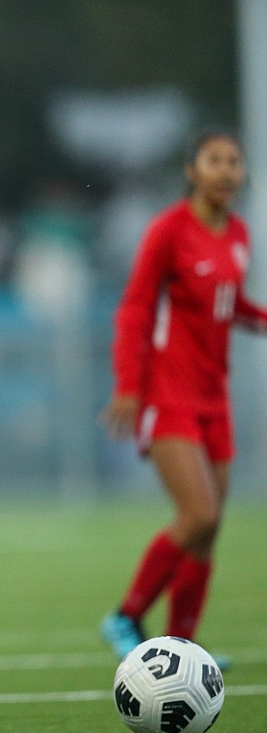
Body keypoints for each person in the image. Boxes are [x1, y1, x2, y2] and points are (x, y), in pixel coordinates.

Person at [98, 129, 267, 664]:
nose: (225, 170)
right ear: (192, 171)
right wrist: (129, 385)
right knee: (197, 514)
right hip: (167, 393)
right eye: (213, 160)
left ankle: (183, 648)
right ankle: (124, 616)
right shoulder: (169, 230)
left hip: (213, 396)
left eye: (233, 162)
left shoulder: (238, 233)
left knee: (210, 528)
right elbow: (136, 308)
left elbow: (228, 301)